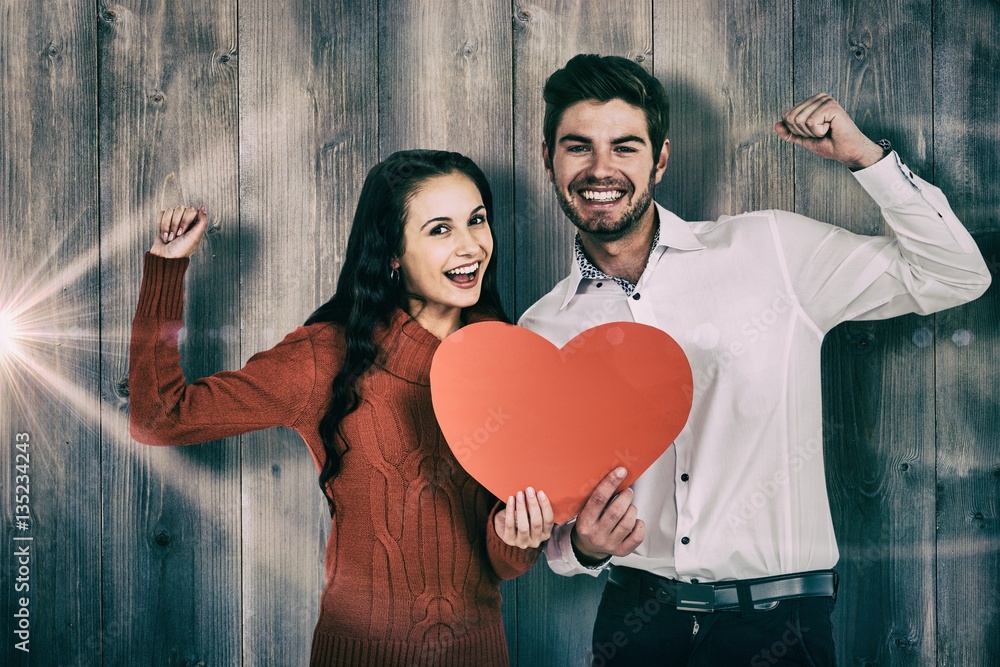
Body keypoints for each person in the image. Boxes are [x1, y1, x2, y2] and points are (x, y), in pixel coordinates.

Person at [518, 54, 991, 665]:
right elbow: (552, 521)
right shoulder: (543, 328)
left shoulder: (770, 250)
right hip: (635, 624)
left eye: (625, 147)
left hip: (778, 627)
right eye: (578, 147)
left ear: (659, 159)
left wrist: (865, 159)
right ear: (550, 160)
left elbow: (953, 275)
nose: (601, 169)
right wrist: (579, 548)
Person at [129, 149, 554, 666]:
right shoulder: (325, 357)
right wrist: (166, 273)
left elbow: (500, 562)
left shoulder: (508, 357)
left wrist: (520, 539)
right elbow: (159, 418)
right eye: (439, 229)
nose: (470, 247)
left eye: (477, 220)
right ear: (392, 253)